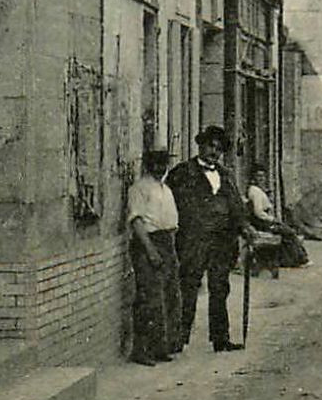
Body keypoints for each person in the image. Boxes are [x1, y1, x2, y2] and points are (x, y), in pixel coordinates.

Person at [168, 126, 250, 353]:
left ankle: (220, 339)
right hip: (193, 240)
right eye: (210, 146)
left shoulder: (226, 175)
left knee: (219, 288)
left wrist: (245, 229)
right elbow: (171, 205)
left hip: (222, 243)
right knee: (188, 287)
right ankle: (178, 338)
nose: (214, 151)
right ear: (200, 146)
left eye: (219, 148)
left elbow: (236, 206)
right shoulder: (182, 173)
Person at [128, 149, 181, 365]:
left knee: (168, 297)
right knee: (149, 298)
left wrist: (171, 249)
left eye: (164, 164)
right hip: (148, 242)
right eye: (157, 164)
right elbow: (136, 221)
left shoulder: (165, 189)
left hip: (167, 242)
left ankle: (160, 346)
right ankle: (141, 350)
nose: (161, 168)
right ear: (149, 165)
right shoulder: (139, 188)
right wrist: (150, 250)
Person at [245, 164, 308, 269]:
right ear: (253, 178)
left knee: (288, 231)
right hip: (261, 223)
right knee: (288, 232)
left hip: (264, 221)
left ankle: (291, 258)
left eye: (263, 176)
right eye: (258, 177)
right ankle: (298, 259)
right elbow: (258, 212)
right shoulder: (255, 192)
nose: (261, 179)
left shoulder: (258, 190)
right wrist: (273, 219)